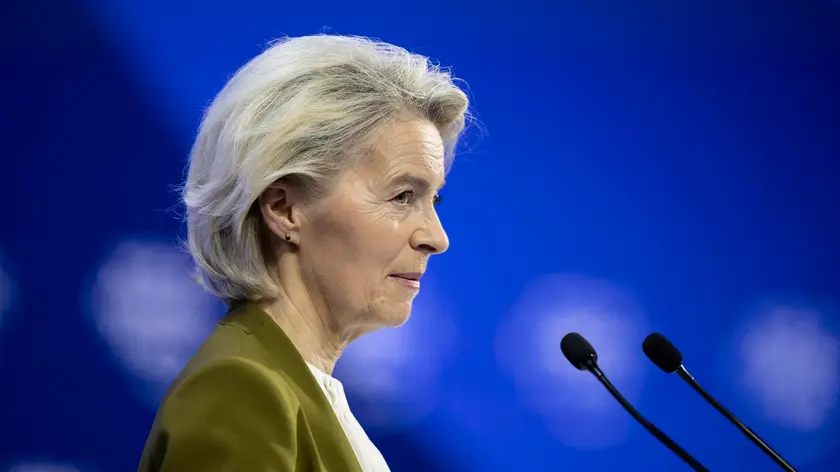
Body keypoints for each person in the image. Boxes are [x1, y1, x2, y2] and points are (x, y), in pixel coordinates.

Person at [137, 34, 471, 472]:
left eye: (434, 200)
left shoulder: (300, 392)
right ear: (284, 209)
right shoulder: (241, 391)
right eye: (402, 196)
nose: (436, 237)